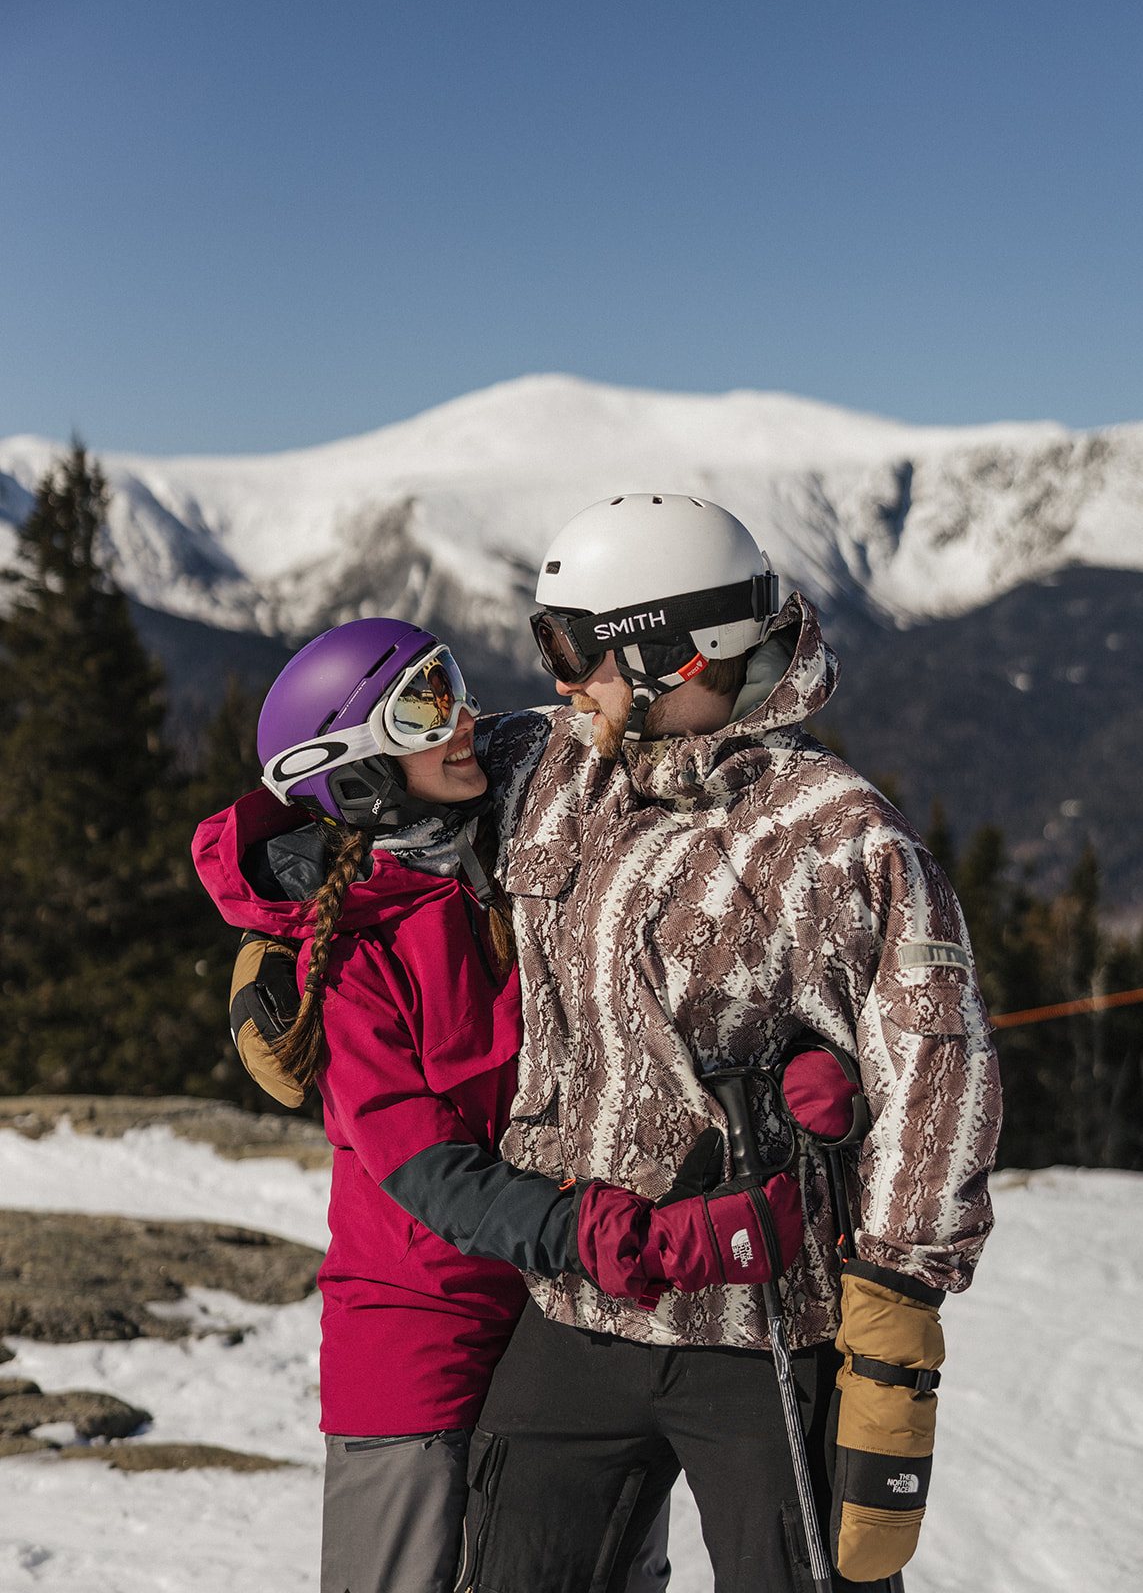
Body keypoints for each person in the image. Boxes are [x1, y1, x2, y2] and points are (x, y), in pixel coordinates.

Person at [193, 616, 813, 1593]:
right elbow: (429, 1172)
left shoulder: (506, 846)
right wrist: (620, 1235)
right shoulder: (351, 959)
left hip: (553, 1313)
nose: (463, 717)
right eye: (426, 705)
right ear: (353, 769)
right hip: (421, 1329)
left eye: (454, 683)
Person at [458, 493, 1003, 1593]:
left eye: (579, 649)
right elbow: (394, 804)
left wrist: (898, 1292)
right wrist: (286, 920)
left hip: (764, 1325)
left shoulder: (836, 832)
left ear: (679, 651)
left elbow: (937, 1062)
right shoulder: (543, 772)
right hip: (578, 1300)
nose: (559, 679)